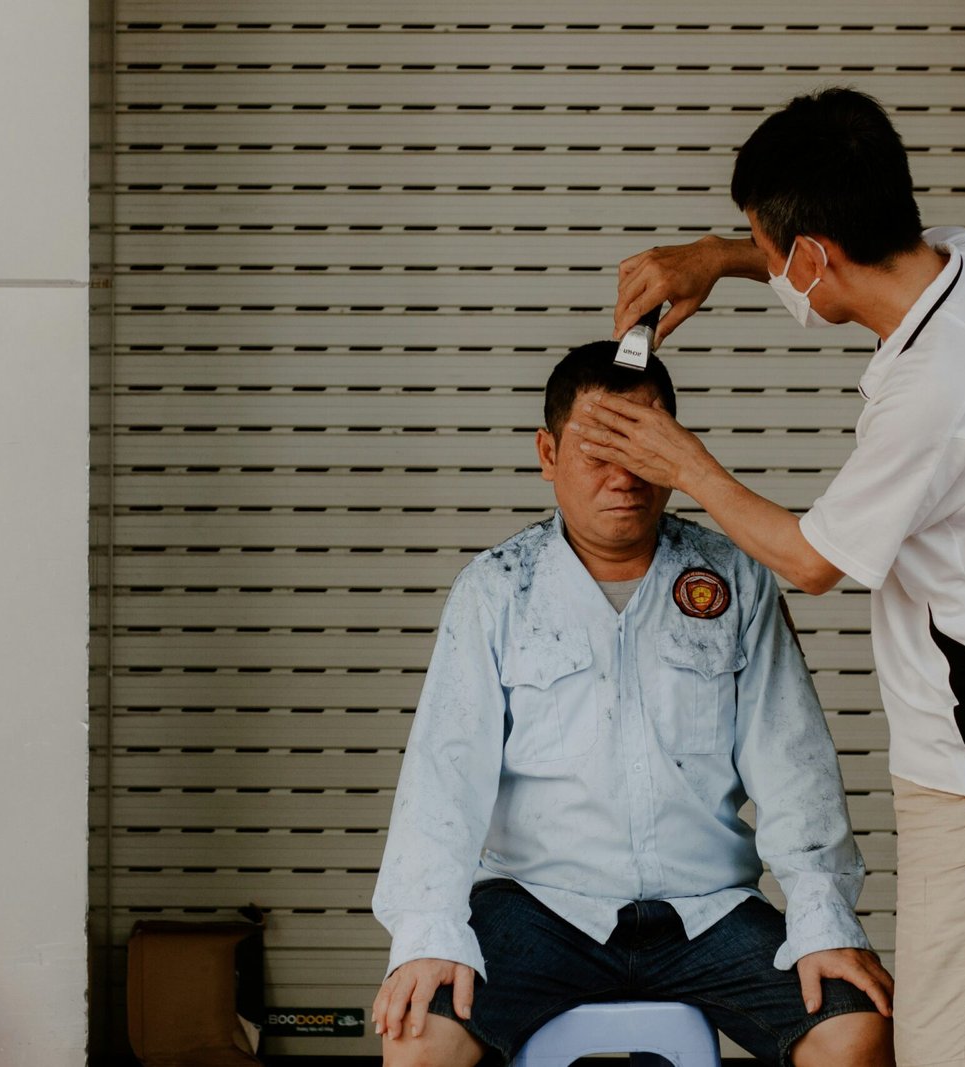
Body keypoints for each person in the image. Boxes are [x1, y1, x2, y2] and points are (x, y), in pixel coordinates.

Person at [586, 87, 965, 1067]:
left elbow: (814, 558)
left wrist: (683, 461)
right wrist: (720, 255)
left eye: (769, 244)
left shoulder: (931, 391)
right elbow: (824, 259)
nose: (769, 263)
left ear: (813, 254)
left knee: (964, 1051)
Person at [370, 343, 895, 1067]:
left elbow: (794, 762)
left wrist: (823, 916)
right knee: (418, 1034)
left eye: (646, 449)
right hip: (538, 905)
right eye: (596, 452)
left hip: (704, 909)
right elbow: (442, 774)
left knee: (853, 1026)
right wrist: (428, 930)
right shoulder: (497, 589)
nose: (624, 478)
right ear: (547, 453)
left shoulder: (732, 578)